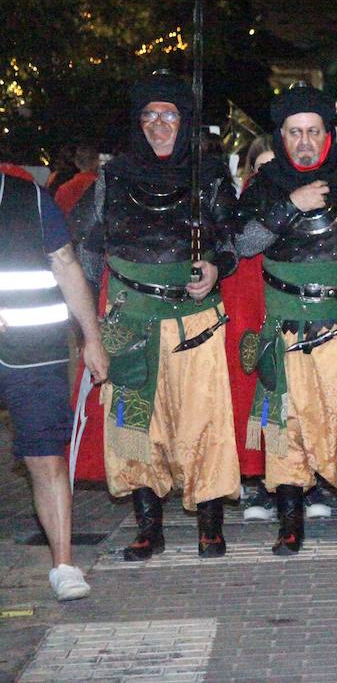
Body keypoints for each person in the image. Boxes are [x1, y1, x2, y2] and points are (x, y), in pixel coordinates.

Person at [70, 74, 241, 561]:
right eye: (150, 116)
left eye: (169, 116)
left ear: (184, 123)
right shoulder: (113, 177)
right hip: (129, 318)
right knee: (135, 424)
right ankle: (149, 527)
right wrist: (86, 330)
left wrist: (215, 266)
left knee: (201, 419)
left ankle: (210, 523)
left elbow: (231, 239)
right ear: (138, 122)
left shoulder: (208, 175)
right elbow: (84, 248)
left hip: (195, 319)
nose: (159, 126)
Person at [234, 83, 337, 556]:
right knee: (287, 423)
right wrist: (289, 207)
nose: (304, 141)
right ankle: (290, 523)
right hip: (285, 322)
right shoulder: (266, 183)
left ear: (328, 134)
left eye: (313, 132)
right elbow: (243, 245)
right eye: (294, 132)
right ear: (281, 136)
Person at [0, 168, 107, 599]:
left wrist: (92, 338)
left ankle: (64, 565)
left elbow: (65, 264)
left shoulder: (31, 199)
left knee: (46, 456)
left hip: (36, 348)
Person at [54, 146, 100, 215]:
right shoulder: (103, 185)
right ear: (96, 161)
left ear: (76, 162)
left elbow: (57, 217)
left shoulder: (64, 189)